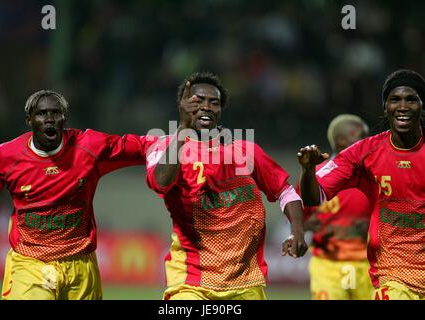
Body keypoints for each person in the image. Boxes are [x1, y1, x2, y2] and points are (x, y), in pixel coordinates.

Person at [0, 90, 155, 300]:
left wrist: (183, 140)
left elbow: (139, 146)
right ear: (29, 120)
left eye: (56, 113)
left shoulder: (89, 146)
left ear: (64, 118)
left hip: (80, 265)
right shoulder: (4, 156)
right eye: (42, 114)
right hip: (31, 263)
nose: (49, 119)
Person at [145, 71, 308, 300]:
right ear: (182, 104)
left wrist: (297, 231)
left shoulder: (244, 150)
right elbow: (161, 182)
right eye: (197, 100)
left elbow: (285, 191)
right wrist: (182, 128)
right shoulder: (164, 147)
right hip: (191, 282)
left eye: (214, 102)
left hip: (246, 282)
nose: (206, 107)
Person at [298, 69, 425, 300]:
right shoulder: (363, 153)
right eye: (395, 100)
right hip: (394, 274)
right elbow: (312, 197)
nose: (403, 106)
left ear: (422, 106)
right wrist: (308, 170)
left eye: (411, 100)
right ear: (385, 107)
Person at [300, 114, 373, 300]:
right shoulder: (314, 176)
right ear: (340, 140)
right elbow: (298, 214)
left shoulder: (375, 175)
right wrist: (302, 228)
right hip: (327, 264)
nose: (367, 141)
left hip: (368, 264)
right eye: (361, 136)